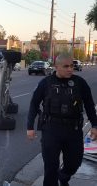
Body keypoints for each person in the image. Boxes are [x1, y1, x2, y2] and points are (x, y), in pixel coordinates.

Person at [26, 55, 97, 186]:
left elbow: (89, 105)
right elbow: (34, 104)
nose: (70, 69)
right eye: (66, 66)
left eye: (72, 66)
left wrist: (95, 125)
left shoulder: (80, 83)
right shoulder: (46, 83)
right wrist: (30, 127)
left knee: (74, 163)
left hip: (73, 130)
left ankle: (63, 177)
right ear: (56, 67)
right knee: (50, 167)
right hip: (51, 130)